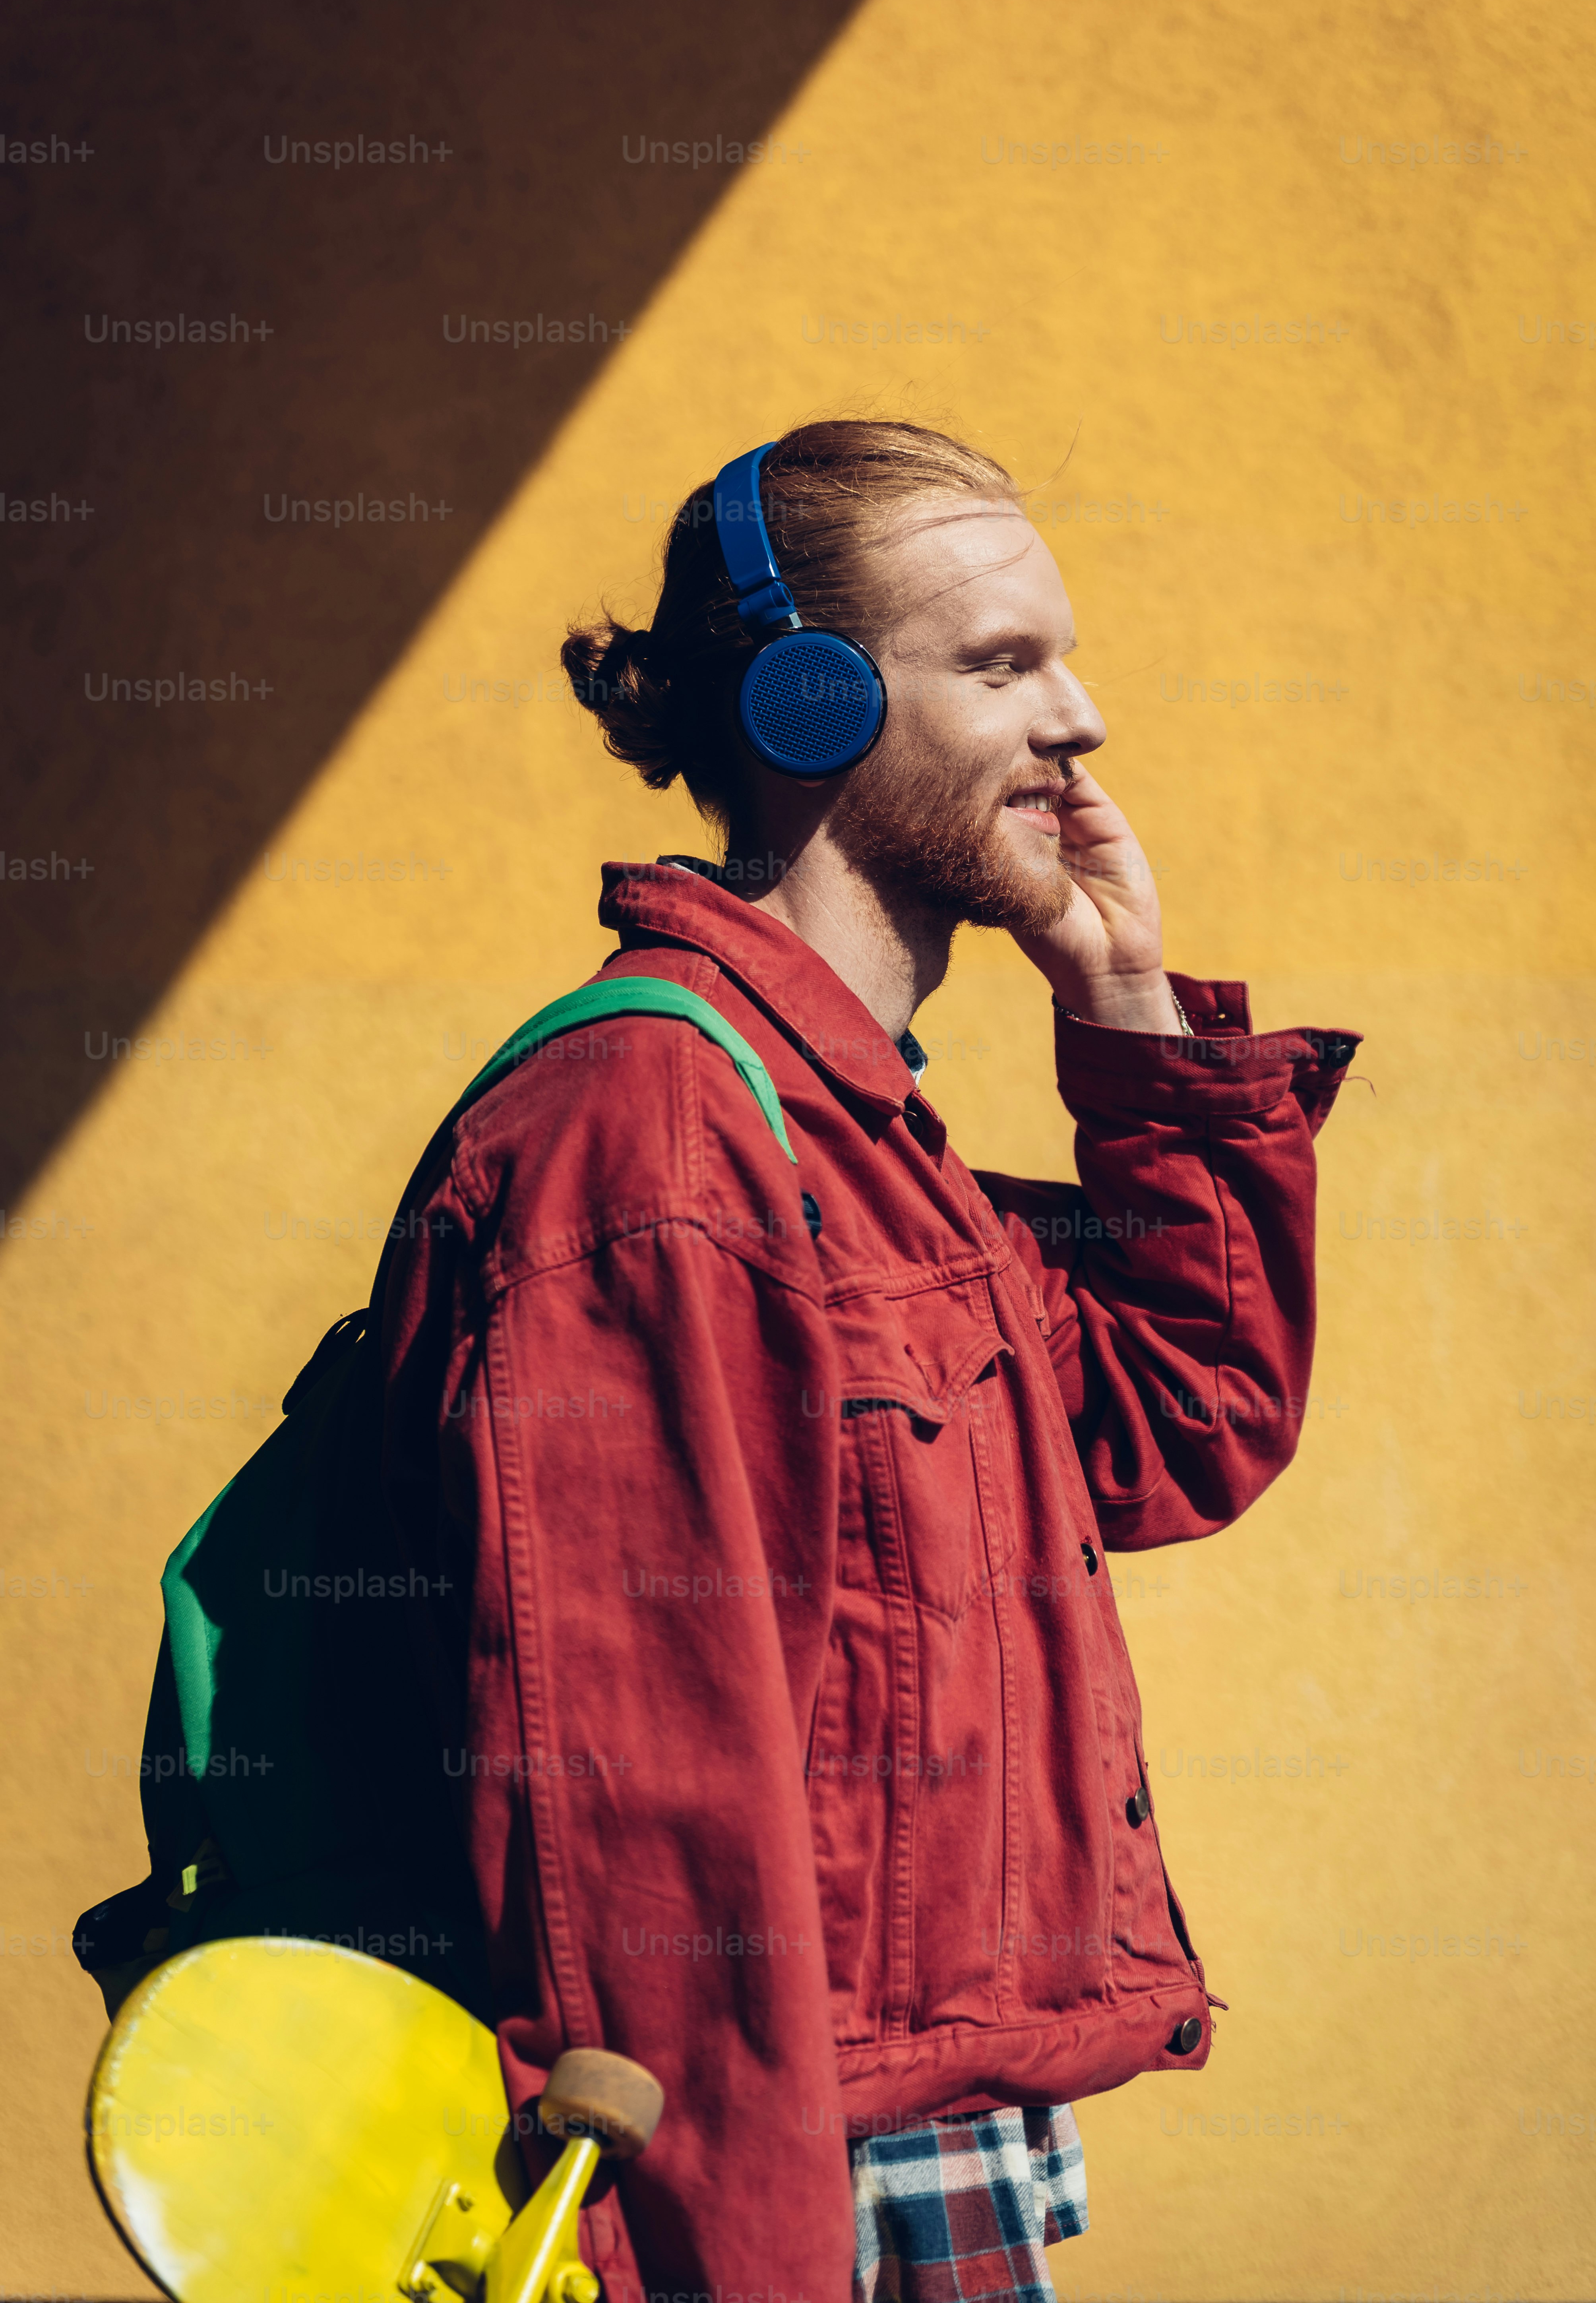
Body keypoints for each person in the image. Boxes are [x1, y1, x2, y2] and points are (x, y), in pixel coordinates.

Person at [378, 418, 1359, 2301]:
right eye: (999, 666)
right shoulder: (661, 1143)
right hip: (784, 2178)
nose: (1080, 721)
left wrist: (1126, 1008)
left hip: (925, 2141)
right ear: (812, 702)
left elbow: (1180, 1423)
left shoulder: (850, 1147)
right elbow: (642, 1856)